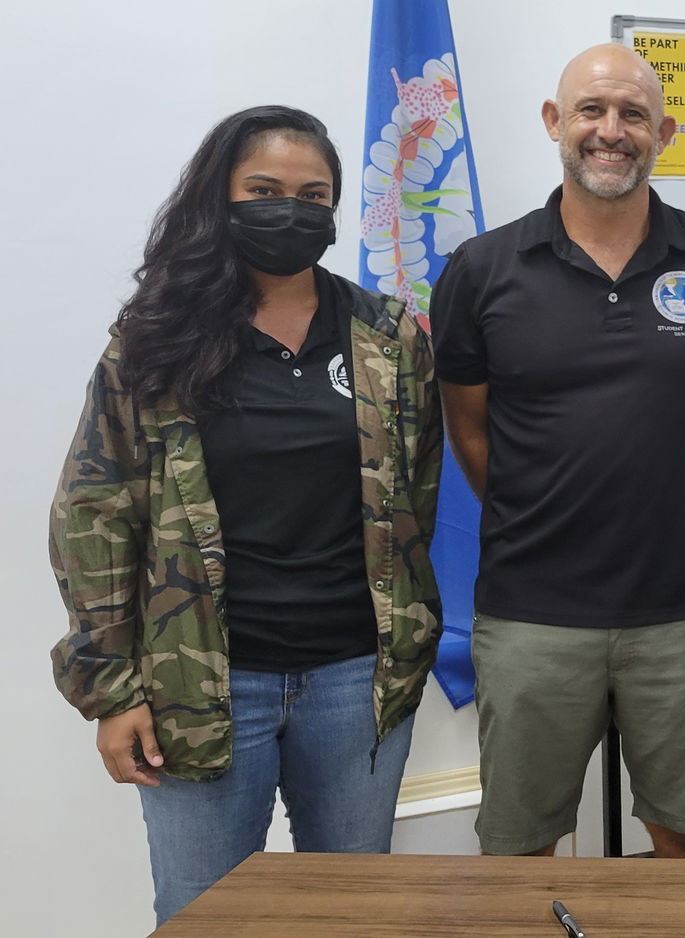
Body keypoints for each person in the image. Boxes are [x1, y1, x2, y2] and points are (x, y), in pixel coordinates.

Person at [49, 105, 443, 925]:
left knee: (349, 913)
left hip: (354, 680)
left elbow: (416, 496)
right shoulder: (156, 340)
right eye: (263, 189)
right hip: (201, 683)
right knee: (204, 915)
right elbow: (93, 512)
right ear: (219, 200)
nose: (288, 210)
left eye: (312, 194)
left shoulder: (387, 334)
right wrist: (111, 689)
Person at [430, 44, 685, 859]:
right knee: (518, 849)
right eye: (591, 110)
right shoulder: (480, 272)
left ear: (665, 131)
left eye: (633, 115)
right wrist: (548, 507)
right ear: (556, 122)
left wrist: (674, 490)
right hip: (530, 612)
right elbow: (470, 432)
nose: (611, 131)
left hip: (682, 608)